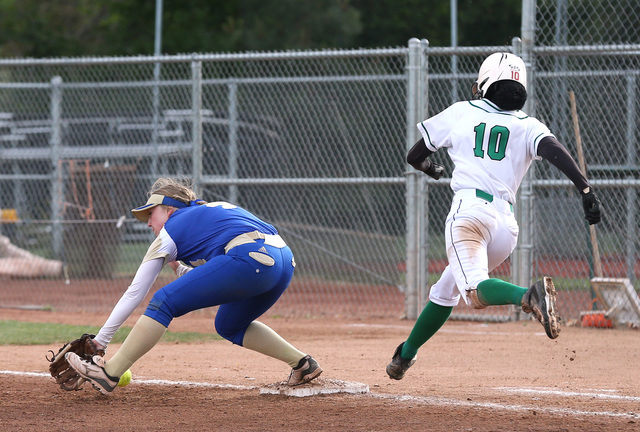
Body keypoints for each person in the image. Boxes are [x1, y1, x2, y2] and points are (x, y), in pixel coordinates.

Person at [386, 52, 602, 380]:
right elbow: (556, 152)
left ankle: (527, 296)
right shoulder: (528, 124)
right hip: (506, 227)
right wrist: (585, 191)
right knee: (448, 288)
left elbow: (415, 155)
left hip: (470, 214)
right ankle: (405, 355)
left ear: (485, 85)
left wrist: (433, 169)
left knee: (473, 292)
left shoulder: (462, 111)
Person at [66, 177, 322, 394]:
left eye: (151, 213)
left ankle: (109, 374)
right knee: (229, 325)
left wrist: (100, 341)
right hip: (282, 261)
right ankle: (302, 364)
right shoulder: (206, 213)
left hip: (250, 258)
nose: (148, 223)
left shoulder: (172, 228)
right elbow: (214, 272)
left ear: (169, 210)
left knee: (163, 301)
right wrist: (180, 268)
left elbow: (135, 291)